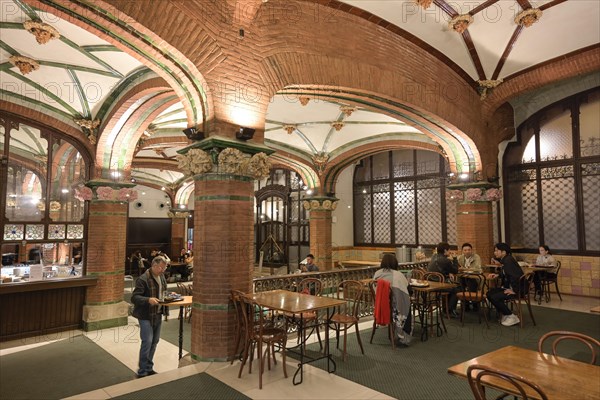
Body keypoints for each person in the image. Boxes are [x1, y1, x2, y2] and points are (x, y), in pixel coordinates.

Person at [131, 256, 170, 378]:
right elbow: (134, 297)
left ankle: (149, 367)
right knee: (147, 342)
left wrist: (169, 296)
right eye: (161, 268)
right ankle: (142, 371)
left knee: (154, 342)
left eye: (164, 267)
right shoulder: (143, 279)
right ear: (154, 266)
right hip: (145, 315)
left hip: (157, 313)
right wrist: (148, 300)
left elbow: (162, 291)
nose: (163, 270)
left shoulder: (161, 276)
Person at [373, 254, 412, 346]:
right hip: (394, 308)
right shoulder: (398, 275)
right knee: (406, 304)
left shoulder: (377, 274)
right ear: (395, 263)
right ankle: (403, 337)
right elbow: (408, 290)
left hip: (380, 306)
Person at [486, 243, 525, 327]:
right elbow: (507, 273)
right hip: (512, 287)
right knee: (489, 293)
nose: (495, 252)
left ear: (503, 252)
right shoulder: (506, 259)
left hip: (518, 290)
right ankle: (505, 314)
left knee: (494, 297)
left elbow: (515, 277)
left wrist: (514, 291)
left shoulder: (508, 261)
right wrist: (497, 275)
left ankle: (511, 316)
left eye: (496, 250)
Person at [427, 242, 460, 317]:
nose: (449, 252)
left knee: (451, 287)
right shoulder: (446, 260)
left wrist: (449, 273)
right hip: (439, 285)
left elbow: (442, 269)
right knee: (457, 289)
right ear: (445, 250)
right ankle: (450, 311)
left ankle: (445, 309)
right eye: (449, 250)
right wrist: (455, 258)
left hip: (430, 283)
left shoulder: (434, 256)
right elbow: (455, 270)